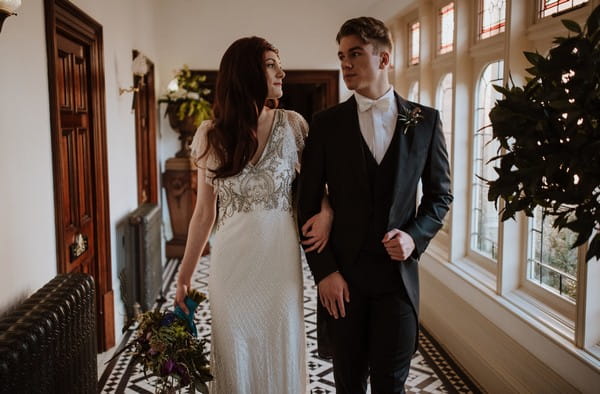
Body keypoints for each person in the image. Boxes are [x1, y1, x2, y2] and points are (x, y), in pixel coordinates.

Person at [298, 17, 453, 393]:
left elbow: (440, 195)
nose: (345, 64)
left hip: (397, 282)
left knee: (390, 385)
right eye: (341, 56)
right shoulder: (326, 124)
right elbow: (305, 204)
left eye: (355, 54)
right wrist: (324, 273)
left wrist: (414, 238)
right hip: (343, 282)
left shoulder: (425, 122)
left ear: (383, 59)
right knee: (349, 383)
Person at [175, 36, 333, 394]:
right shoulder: (210, 135)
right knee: (235, 351)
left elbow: (316, 189)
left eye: (279, 63)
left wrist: (326, 212)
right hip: (231, 268)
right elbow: (203, 215)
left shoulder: (294, 125)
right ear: (246, 72)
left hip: (279, 264)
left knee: (280, 345)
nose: (282, 71)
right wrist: (183, 278)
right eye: (271, 64)